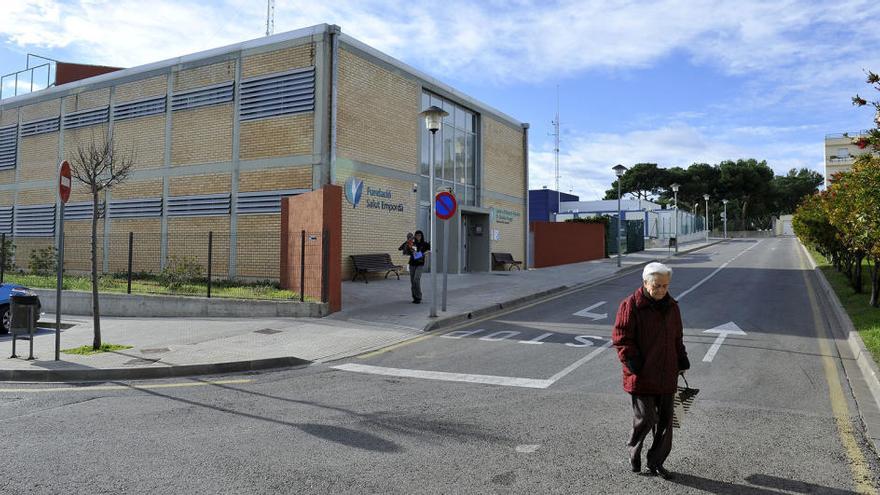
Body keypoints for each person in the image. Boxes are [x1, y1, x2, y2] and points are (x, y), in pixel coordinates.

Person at [611, 262, 689, 480]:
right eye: (657, 285)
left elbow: (677, 337)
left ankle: (656, 462)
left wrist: (681, 358)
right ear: (645, 283)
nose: (661, 290)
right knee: (646, 418)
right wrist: (630, 360)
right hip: (642, 375)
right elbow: (621, 337)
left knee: (665, 425)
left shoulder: (672, 306)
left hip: (667, 374)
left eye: (665, 286)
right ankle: (633, 451)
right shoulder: (631, 305)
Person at [399, 230, 430, 304]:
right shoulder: (412, 243)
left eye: (419, 235)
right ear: (415, 236)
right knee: (413, 282)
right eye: (416, 235)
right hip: (412, 264)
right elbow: (400, 248)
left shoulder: (425, 244)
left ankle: (419, 297)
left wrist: (424, 253)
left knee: (416, 280)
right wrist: (408, 242)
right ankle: (415, 297)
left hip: (420, 264)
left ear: (421, 236)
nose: (418, 237)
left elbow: (430, 250)